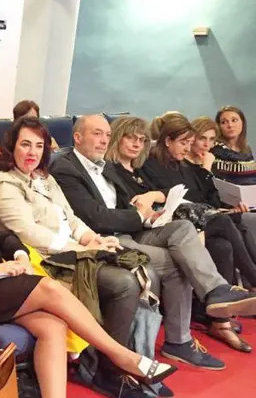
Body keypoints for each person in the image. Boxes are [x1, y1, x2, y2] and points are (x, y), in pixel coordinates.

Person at [0, 129, 178, 398]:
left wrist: (21, 255)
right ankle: (120, 355)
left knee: (54, 327)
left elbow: (4, 236)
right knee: (48, 286)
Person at [0, 117, 173, 398]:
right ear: (11, 147)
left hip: (73, 252)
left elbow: (71, 218)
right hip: (49, 260)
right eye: (25, 145)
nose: (32, 152)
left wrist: (92, 239)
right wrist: (82, 249)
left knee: (139, 269)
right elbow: (31, 234)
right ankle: (110, 367)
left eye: (39, 146)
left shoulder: (44, 178)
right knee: (122, 282)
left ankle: (118, 362)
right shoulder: (4, 185)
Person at [50, 115, 239, 369]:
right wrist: (138, 215)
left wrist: (150, 213)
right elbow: (95, 217)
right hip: (102, 238)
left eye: (106, 134)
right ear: (77, 137)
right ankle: (176, 342)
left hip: (129, 230)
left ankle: (216, 291)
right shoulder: (66, 168)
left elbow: (126, 202)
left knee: (182, 228)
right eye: (97, 134)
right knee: (176, 261)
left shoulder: (105, 166)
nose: (104, 140)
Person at [102, 115, 256, 352]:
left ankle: (218, 312)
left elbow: (199, 197)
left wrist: (154, 199)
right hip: (135, 230)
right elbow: (114, 211)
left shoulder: (137, 169)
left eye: (141, 140)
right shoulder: (118, 168)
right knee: (209, 231)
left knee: (225, 238)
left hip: (163, 223)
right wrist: (145, 211)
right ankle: (208, 314)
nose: (136, 144)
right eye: (130, 138)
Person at [139, 112, 256, 284]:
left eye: (189, 143)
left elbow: (207, 198)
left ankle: (226, 298)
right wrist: (205, 170)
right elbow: (182, 195)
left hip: (197, 218)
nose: (187, 148)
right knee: (224, 222)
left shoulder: (182, 164)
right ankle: (253, 277)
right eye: (183, 143)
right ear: (168, 141)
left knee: (225, 244)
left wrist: (205, 171)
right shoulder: (151, 163)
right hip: (174, 221)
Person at [211, 106, 256, 184]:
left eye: (234, 120)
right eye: (224, 122)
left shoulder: (247, 150)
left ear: (243, 122)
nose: (230, 125)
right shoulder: (215, 150)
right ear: (218, 126)